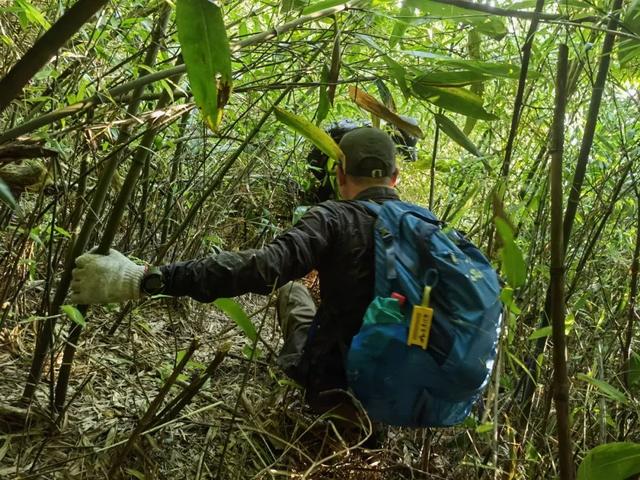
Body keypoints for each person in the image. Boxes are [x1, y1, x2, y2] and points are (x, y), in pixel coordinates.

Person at [70, 127, 401, 419]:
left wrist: (149, 278)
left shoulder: (334, 217)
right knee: (300, 294)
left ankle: (335, 405)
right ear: (395, 177)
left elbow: (261, 268)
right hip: (404, 382)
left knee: (290, 291)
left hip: (335, 381)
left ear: (340, 175)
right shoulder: (430, 232)